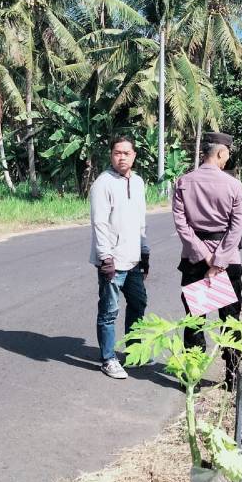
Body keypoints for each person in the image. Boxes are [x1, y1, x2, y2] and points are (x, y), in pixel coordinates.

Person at [172, 131, 242, 389]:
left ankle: (192, 376)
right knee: (231, 320)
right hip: (227, 261)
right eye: (227, 155)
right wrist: (218, 262)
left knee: (195, 319)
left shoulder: (183, 182)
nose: (227, 160)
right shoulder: (234, 185)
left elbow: (181, 225)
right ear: (220, 153)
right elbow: (236, 228)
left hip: (194, 262)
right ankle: (233, 376)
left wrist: (203, 256)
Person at [89, 135, 150, 380]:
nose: (122, 156)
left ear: (134, 155)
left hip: (133, 259)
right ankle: (108, 359)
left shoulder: (137, 182)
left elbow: (140, 221)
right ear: (111, 155)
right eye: (117, 152)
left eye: (127, 152)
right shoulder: (102, 184)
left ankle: (134, 351)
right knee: (109, 311)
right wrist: (105, 258)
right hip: (112, 260)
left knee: (138, 303)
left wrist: (145, 253)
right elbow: (99, 223)